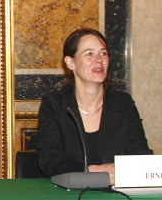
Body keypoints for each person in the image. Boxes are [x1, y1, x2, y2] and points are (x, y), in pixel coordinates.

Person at [36, 28, 153, 184]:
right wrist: (93, 171)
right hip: (70, 198)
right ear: (71, 63)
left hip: (118, 197)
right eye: (89, 54)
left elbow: (142, 158)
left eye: (103, 53)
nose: (99, 60)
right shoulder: (54, 104)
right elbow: (49, 162)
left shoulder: (123, 104)